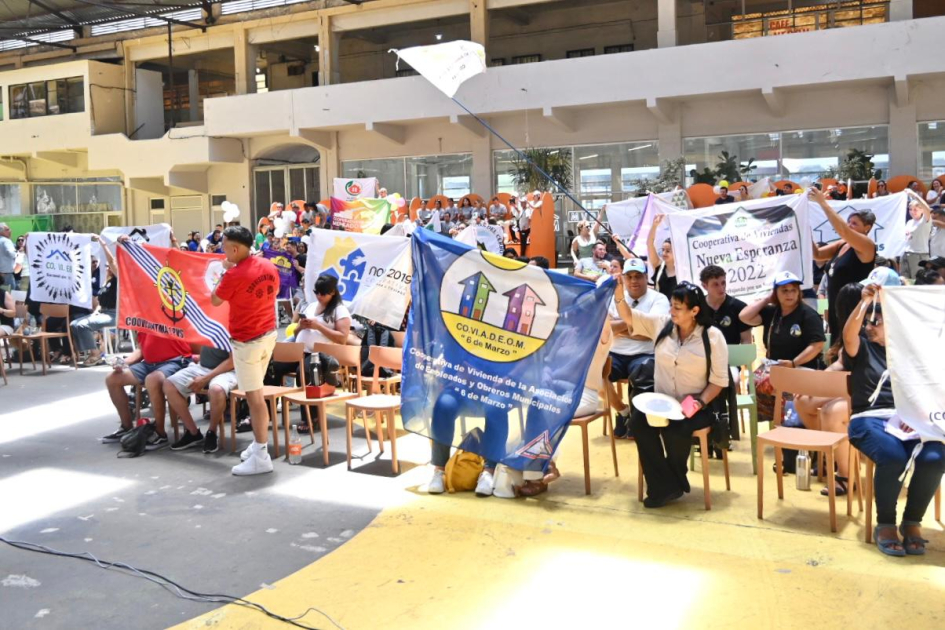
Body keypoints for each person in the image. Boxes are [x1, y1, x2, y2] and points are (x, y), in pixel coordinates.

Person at [845, 284, 945, 556]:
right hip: (869, 419)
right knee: (892, 456)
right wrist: (864, 302)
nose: (870, 326)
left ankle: (912, 522)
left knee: (936, 457)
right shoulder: (863, 348)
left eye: (877, 321)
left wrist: (918, 415)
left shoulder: (914, 353)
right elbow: (848, 336)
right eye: (868, 321)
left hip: (914, 419)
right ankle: (886, 523)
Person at [615, 281, 729, 507]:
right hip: (662, 402)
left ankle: (668, 484)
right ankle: (668, 484)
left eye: (678, 308)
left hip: (697, 403)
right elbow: (629, 317)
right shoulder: (662, 325)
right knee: (638, 422)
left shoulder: (713, 337)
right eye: (671, 306)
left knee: (678, 428)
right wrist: (620, 296)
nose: (672, 311)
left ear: (694, 311)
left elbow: (718, 382)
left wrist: (699, 402)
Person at [211, 226, 279, 476]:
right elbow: (275, 292)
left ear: (236, 248)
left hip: (247, 342)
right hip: (268, 334)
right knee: (256, 392)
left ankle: (261, 454)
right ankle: (258, 444)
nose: (222, 250)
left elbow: (215, 299)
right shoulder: (269, 265)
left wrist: (226, 273)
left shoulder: (233, 275)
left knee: (255, 399)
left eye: (225, 246)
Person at [739, 272, 826, 424]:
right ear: (776, 293)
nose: (789, 294)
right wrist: (766, 299)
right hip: (775, 366)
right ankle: (777, 421)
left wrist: (793, 363)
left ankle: (786, 422)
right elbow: (744, 316)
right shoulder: (773, 312)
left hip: (802, 368)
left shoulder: (807, 314)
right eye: (784, 290)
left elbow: (817, 345)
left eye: (793, 290)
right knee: (753, 381)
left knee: (768, 383)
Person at [606, 258, 670, 437]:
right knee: (592, 372)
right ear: (624, 278)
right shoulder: (613, 298)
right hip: (615, 353)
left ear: (646, 277)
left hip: (645, 353)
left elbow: (653, 332)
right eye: (629, 276)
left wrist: (619, 324)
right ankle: (623, 411)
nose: (634, 281)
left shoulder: (659, 299)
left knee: (645, 373)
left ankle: (638, 421)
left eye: (638, 276)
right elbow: (605, 328)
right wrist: (639, 324)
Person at [101, 331, 192, 449]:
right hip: (149, 364)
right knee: (112, 379)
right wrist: (124, 362)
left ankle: (160, 433)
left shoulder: (172, 313)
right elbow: (141, 349)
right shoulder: (144, 319)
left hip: (175, 361)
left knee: (153, 380)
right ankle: (126, 427)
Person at [809, 186, 876, 334]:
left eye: (855, 223)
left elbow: (843, 231)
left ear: (867, 228)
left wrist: (823, 203)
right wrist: (806, 230)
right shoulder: (843, 244)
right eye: (849, 222)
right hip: (834, 306)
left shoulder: (867, 245)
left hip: (853, 307)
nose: (850, 226)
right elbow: (818, 255)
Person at [163, 346, 238, 453]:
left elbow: (233, 361)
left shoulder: (231, 331)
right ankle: (193, 433)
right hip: (202, 367)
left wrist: (205, 378)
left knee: (216, 389)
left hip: (229, 370)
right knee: (169, 384)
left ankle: (211, 432)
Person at [71, 236, 119, 366]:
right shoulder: (106, 281)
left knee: (82, 325)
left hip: (115, 315)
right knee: (74, 324)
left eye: (109, 267)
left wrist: (102, 243)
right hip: (103, 312)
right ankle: (93, 351)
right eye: (106, 266)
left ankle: (95, 354)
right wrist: (95, 312)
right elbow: (100, 301)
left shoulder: (120, 281)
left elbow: (112, 261)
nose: (107, 268)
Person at [699, 265, 751, 345]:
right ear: (705, 286)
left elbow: (746, 341)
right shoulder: (697, 307)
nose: (721, 288)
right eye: (715, 284)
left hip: (732, 356)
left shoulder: (740, 307)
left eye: (723, 283)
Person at [900, 193, 932, 280]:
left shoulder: (925, 220)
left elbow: (927, 209)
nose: (912, 212)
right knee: (904, 280)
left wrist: (914, 196)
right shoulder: (909, 222)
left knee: (918, 281)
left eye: (915, 209)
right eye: (910, 209)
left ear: (922, 210)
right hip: (906, 254)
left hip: (919, 255)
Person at [647, 214, 677, 298]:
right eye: (663, 250)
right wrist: (654, 225)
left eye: (668, 251)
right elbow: (649, 243)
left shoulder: (682, 270)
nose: (664, 253)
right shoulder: (658, 265)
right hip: (660, 309)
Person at [0, 222, 15, 291]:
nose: (10, 231)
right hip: (6, 275)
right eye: (7, 229)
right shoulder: (6, 241)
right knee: (10, 295)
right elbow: (11, 253)